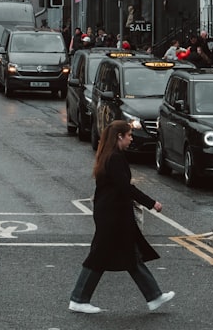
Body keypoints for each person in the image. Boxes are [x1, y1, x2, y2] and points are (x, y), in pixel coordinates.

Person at [67, 120, 174, 314]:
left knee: (130, 256)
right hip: (112, 216)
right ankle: (78, 299)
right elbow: (126, 187)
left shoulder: (110, 155)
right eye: (129, 135)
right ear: (119, 137)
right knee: (99, 256)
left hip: (113, 214)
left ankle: (154, 297)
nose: (131, 139)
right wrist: (152, 203)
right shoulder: (115, 158)